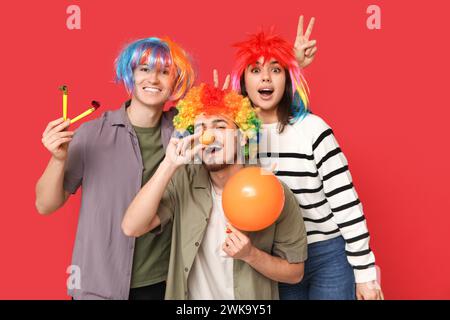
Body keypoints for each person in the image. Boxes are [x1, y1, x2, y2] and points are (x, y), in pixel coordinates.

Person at [229, 20, 384, 300]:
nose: (265, 78)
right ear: (243, 82)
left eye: (275, 70)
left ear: (287, 79)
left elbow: (346, 204)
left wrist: (366, 275)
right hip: (277, 259)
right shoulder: (234, 137)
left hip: (327, 255)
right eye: (255, 70)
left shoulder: (313, 129)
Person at [35, 37, 195, 300]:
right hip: (98, 286)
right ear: (130, 74)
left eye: (164, 72)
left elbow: (233, 134)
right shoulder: (93, 133)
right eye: (144, 69)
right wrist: (58, 158)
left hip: (162, 285)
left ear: (175, 82)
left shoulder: (183, 131)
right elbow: (45, 205)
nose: (154, 79)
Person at [122, 83, 308, 299]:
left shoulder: (273, 191)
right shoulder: (183, 180)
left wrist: (250, 255)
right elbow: (131, 227)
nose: (208, 136)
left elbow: (295, 273)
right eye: (200, 127)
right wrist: (168, 164)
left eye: (220, 126)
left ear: (243, 135)